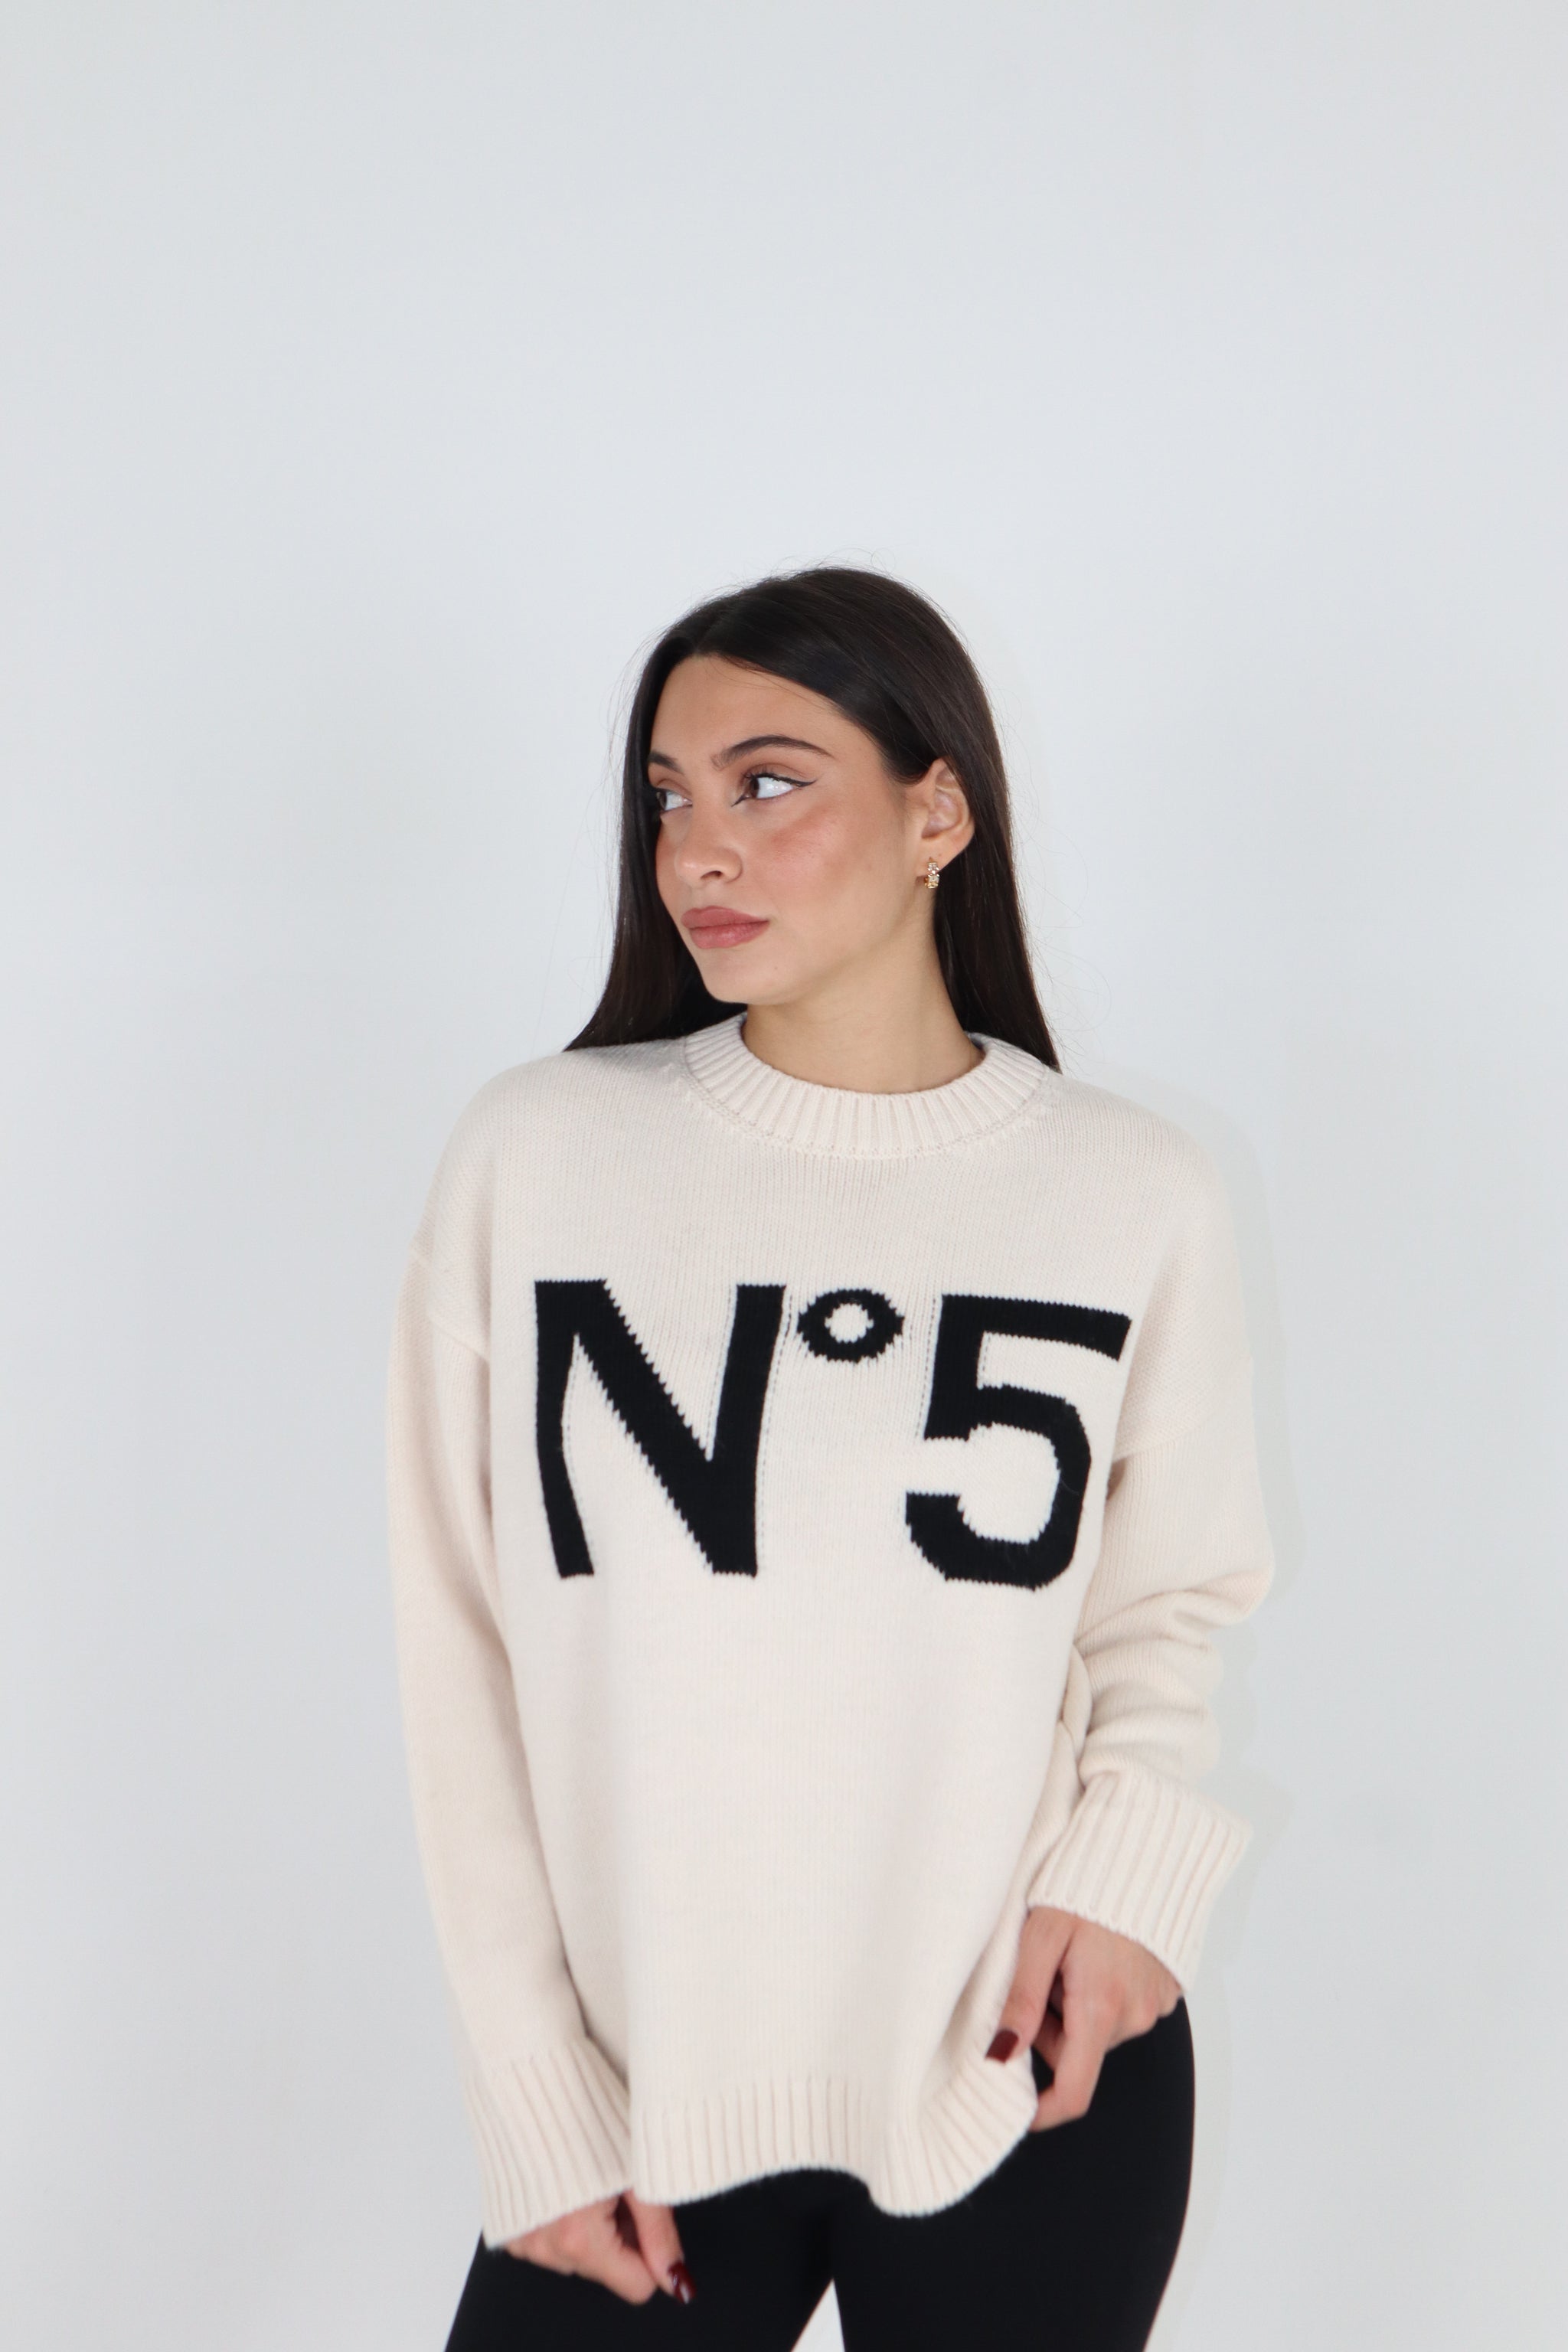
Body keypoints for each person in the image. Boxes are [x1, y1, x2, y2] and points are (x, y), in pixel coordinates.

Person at [385, 566, 1275, 2350]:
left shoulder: (1128, 1189)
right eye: (667, 797)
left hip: (1025, 2059)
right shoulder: (539, 1158)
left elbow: (1168, 1598)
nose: (699, 849)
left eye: (768, 783)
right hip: (645, 2090)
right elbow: (459, 1654)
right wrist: (533, 2094)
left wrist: (1122, 1887)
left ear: (938, 812)